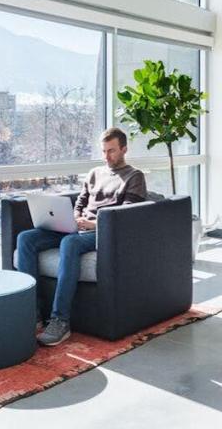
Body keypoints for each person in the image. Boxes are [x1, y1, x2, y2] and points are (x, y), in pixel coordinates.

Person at [16, 128, 148, 346]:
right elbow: (80, 203)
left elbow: (127, 216)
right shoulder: (94, 173)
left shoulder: (134, 176)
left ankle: (60, 320)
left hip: (104, 231)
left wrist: (93, 224)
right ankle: (31, 313)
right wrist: (74, 217)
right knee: (26, 238)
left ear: (124, 149)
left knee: (70, 242)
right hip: (78, 226)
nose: (106, 156)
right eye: (103, 151)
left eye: (112, 151)